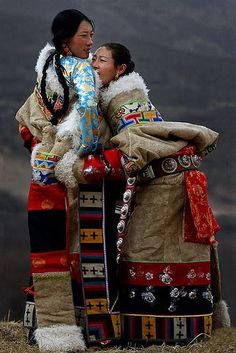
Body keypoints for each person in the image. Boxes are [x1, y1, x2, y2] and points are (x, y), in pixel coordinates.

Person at [65, 42, 230, 346]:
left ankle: (157, 331)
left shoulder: (128, 99)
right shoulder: (110, 97)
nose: (94, 65)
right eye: (93, 60)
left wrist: (96, 165)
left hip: (169, 184)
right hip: (168, 179)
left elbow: (142, 142)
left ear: (120, 70)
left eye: (101, 60)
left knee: (145, 248)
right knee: (149, 245)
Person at [15, 9, 107, 352]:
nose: (90, 42)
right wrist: (71, 153)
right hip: (70, 178)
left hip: (48, 179)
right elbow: (88, 122)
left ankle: (48, 328)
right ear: (66, 40)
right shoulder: (79, 75)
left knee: (51, 250)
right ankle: (74, 330)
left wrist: (39, 150)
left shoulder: (46, 76)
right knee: (72, 249)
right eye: (85, 35)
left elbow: (24, 121)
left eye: (92, 35)